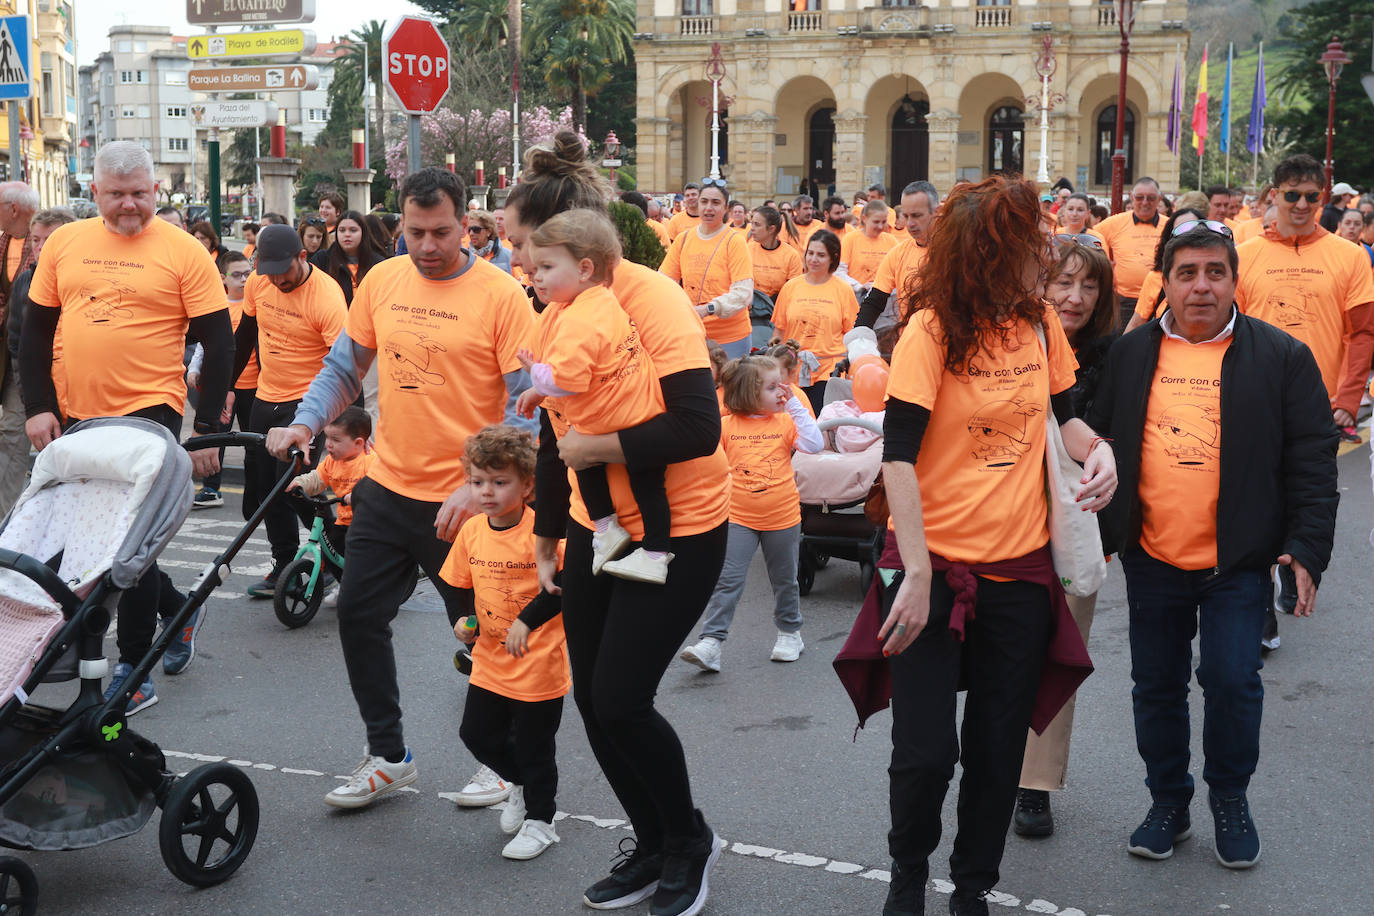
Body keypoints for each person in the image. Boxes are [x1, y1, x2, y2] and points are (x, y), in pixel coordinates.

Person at [503, 132, 730, 916]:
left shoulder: (649, 298)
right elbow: (549, 421)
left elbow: (698, 427)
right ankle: (655, 837)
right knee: (594, 704)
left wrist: (597, 444)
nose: (520, 270)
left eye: (527, 253)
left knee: (625, 698)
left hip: (683, 524)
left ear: (576, 247)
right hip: (590, 525)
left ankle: (690, 842)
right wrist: (544, 528)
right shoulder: (555, 300)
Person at [876, 176, 1115, 916]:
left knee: (995, 747)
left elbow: (1064, 418)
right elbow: (898, 457)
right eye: (1028, 245)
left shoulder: (1040, 323)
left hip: (1019, 571)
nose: (1044, 259)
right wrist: (915, 571)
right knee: (924, 755)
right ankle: (908, 872)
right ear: (988, 251)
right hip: (931, 568)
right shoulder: (932, 330)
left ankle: (972, 885)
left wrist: (1097, 447)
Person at [266, 166, 537, 810]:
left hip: (467, 502)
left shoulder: (502, 296)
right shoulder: (383, 280)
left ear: (466, 223)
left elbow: (528, 407)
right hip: (387, 486)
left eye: (441, 232)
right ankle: (389, 756)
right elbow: (344, 366)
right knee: (359, 617)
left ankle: (506, 762)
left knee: (483, 633)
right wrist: (304, 421)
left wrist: (486, 489)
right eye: (414, 232)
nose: (426, 246)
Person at [1085, 222, 1338, 870]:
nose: (1201, 286)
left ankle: (1230, 798)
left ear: (1234, 280)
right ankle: (1168, 802)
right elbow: (1092, 430)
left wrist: (1306, 549)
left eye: (1215, 272)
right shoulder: (1131, 353)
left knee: (1232, 681)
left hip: (1237, 561)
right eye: (1187, 273)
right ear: (1164, 282)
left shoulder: (1281, 357)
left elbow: (1312, 459)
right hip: (1153, 557)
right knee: (1157, 686)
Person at [20, 141, 234, 710]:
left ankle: (134, 669)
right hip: (76, 413)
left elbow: (218, 341)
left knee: (127, 542)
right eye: (117, 195)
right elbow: (36, 330)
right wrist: (37, 406)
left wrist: (207, 429)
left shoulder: (184, 251)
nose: (130, 206)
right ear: (95, 193)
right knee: (86, 538)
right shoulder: (65, 243)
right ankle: (180, 607)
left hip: (150, 411)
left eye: (140, 193)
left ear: (155, 191)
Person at [1233, 154, 1374, 651]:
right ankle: (1260, 607)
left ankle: (1297, 562)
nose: (1300, 205)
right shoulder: (1244, 253)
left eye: (1311, 196)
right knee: (1256, 499)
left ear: (1324, 196)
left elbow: (1362, 334)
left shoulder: (1350, 256)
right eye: (1291, 194)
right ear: (1273, 195)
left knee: (1307, 496)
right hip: (1255, 399)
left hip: (1319, 404)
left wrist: (1349, 397)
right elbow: (1231, 332)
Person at [1012, 238, 1117, 838]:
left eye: (1089, 286)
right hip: (1006, 524)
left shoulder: (1120, 357)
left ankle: (1036, 784)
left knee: (1060, 653)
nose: (1074, 298)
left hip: (1079, 525)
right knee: (1002, 654)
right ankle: (996, 762)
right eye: (1062, 283)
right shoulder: (1012, 339)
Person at [516, 209, 673, 584]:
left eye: (547, 267)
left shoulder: (576, 320)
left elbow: (567, 379)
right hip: (640, 406)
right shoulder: (601, 300)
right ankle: (649, 548)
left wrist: (535, 375)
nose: (534, 275)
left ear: (584, 268)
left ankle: (613, 533)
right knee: (648, 484)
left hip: (608, 417)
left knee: (580, 456)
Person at [444, 424, 569, 861]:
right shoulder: (473, 531)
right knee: (476, 734)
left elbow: (562, 586)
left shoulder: (545, 532)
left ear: (528, 484)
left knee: (537, 748)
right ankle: (520, 784)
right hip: (491, 661)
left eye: (500, 482)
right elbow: (457, 585)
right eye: (478, 482)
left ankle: (542, 821)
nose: (487, 492)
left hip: (538, 662)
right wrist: (463, 619)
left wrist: (527, 622)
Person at [679, 355, 823, 672]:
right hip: (737, 517)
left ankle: (789, 633)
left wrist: (796, 407)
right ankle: (712, 643)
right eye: (772, 388)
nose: (781, 393)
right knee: (727, 580)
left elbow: (814, 444)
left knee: (785, 581)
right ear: (748, 392)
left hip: (783, 517)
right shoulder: (726, 426)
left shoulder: (785, 421)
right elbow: (706, 466)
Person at [235, 223, 349, 597]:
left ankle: (335, 562)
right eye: (268, 271)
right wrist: (225, 390)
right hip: (266, 398)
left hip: (307, 405)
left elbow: (346, 369)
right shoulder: (260, 282)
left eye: (283, 270)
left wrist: (341, 431)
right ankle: (284, 563)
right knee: (263, 492)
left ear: (302, 257)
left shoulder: (326, 297)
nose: (276, 280)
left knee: (296, 489)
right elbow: (245, 337)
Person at [186, 251, 259, 510]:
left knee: (255, 445)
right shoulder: (218, 306)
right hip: (221, 388)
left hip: (255, 388)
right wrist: (194, 369)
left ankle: (258, 492)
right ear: (222, 278)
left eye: (247, 274)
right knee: (216, 440)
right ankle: (210, 488)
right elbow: (205, 345)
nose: (243, 279)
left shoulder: (256, 304)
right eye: (236, 275)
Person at [659, 177, 754, 360]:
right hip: (692, 332)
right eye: (704, 201)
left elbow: (743, 293)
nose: (709, 207)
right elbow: (664, 282)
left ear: (726, 208)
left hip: (731, 338)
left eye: (715, 203)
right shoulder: (683, 239)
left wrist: (708, 309)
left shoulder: (735, 241)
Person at [768, 230, 853, 415]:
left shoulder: (843, 290)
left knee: (821, 425)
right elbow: (779, 331)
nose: (813, 259)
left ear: (833, 258)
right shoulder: (791, 287)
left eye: (821, 255)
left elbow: (851, 334)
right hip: (792, 369)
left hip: (828, 370)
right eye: (810, 253)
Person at [287, 405, 375, 573]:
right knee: (331, 554)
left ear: (358, 443)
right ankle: (343, 585)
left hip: (368, 524)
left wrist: (358, 495)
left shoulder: (369, 462)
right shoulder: (331, 462)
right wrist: (300, 483)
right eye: (327, 437)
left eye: (336, 440)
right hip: (344, 522)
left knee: (360, 561)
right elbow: (317, 478)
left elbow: (377, 487)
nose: (328, 444)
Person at [857, 181, 939, 354]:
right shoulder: (898, 254)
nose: (910, 223)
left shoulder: (955, 252)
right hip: (910, 347)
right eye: (906, 216)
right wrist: (858, 340)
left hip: (948, 348)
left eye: (916, 216)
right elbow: (874, 301)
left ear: (936, 212)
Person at [0, 181, 37, 515]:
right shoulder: (2, 241)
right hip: (5, 352)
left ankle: (8, 513)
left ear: (13, 209)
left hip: (34, 357)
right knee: (9, 433)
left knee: (14, 432)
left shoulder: (47, 243)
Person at [1094, 178, 1165, 329]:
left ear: (1159, 199)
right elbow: (1089, 237)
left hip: (1161, 299)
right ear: (1131, 197)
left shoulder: (1170, 225)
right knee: (1124, 345)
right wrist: (1104, 264)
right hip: (1124, 301)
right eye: (1139, 197)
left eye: (1151, 198)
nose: (1145, 202)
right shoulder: (1114, 223)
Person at [1123, 207, 1208, 333]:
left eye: (1193, 231)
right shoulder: (1156, 278)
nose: (1187, 238)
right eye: (1179, 232)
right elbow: (1136, 324)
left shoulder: (1218, 278)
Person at [312, 209, 389, 305]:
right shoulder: (322, 259)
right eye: (342, 230)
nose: (347, 234)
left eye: (353, 230)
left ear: (363, 233)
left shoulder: (378, 264)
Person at [838, 200, 897, 300]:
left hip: (885, 300)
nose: (880, 226)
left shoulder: (891, 241)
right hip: (857, 298)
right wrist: (859, 286)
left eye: (884, 222)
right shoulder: (850, 239)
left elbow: (898, 272)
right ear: (864, 219)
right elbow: (839, 272)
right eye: (876, 222)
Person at [747, 205, 803, 304]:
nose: (752, 228)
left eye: (757, 224)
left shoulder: (791, 255)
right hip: (751, 307)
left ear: (771, 229)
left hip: (778, 307)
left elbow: (793, 290)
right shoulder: (748, 250)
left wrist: (768, 302)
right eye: (752, 224)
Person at [465, 209, 513, 274]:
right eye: (469, 230)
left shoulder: (508, 256)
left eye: (476, 229)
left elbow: (517, 282)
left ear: (489, 231)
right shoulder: (465, 258)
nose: (471, 233)